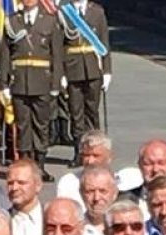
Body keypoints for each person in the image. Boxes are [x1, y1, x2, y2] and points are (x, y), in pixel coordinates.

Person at [0, 0, 62, 178]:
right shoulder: (12, 21)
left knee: (41, 125)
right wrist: (3, 83)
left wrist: (56, 83)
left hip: (42, 81)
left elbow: (56, 54)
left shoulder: (50, 20)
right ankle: (25, 162)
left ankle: (40, 164)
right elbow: (5, 55)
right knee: (23, 125)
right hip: (19, 81)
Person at [58, 0, 110, 162]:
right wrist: (61, 73)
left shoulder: (97, 11)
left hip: (93, 67)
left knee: (92, 112)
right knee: (76, 113)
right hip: (72, 68)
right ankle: (79, 152)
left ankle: (96, 149)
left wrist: (107, 71)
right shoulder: (64, 12)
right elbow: (59, 46)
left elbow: (104, 41)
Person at [7, 158, 45, 235]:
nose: (14, 188)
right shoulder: (2, 221)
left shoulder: (50, 218)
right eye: (10, 183)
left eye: (21, 182)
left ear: (38, 186)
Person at [78, 164, 117, 235]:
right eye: (90, 191)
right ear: (81, 193)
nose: (96, 198)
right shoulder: (75, 230)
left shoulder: (129, 227)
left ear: (115, 193)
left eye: (103, 191)